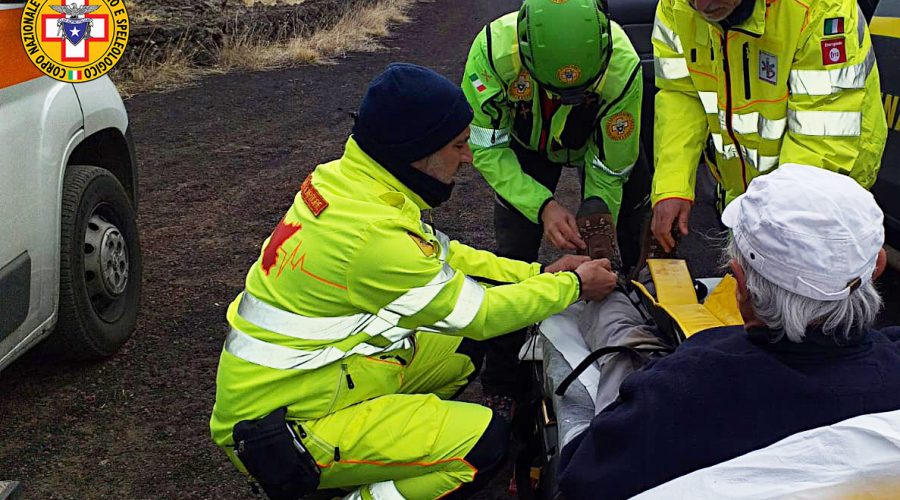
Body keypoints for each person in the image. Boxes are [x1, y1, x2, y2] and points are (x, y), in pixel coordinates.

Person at [209, 63, 618, 500]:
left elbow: (447, 255)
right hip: (282, 428)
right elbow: (479, 313)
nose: (468, 157)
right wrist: (573, 286)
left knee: (461, 348)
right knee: (484, 444)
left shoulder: (351, 182)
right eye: (458, 145)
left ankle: (383, 457)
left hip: (312, 382)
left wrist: (537, 275)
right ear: (416, 151)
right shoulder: (371, 235)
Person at [556, 164, 900, 499]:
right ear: (877, 268)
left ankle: (610, 284)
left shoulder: (681, 390)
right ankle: (645, 277)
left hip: (675, 399)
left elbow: (580, 476)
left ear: (741, 284)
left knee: (625, 343)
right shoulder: (891, 359)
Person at [462, 0, 647, 405]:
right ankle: (503, 379)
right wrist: (542, 205)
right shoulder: (492, 55)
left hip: (593, 144)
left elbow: (611, 165)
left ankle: (639, 344)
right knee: (513, 255)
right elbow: (487, 148)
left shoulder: (623, 68)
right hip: (524, 148)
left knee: (630, 238)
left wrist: (598, 221)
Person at [650, 0, 888, 252]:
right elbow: (681, 94)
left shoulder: (822, 8)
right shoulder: (676, 5)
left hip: (820, 192)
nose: (702, 5)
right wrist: (672, 185)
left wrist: (770, 230)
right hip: (744, 190)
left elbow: (819, 144)